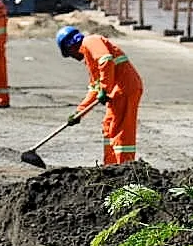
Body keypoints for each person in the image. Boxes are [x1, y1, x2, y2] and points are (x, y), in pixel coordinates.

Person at [57, 26, 144, 165]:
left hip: (125, 88)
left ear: (71, 44)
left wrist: (105, 88)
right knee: (108, 127)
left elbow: (106, 60)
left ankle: (125, 169)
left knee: (120, 131)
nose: (73, 57)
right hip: (115, 93)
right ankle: (110, 168)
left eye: (69, 53)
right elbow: (94, 89)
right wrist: (79, 113)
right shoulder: (90, 58)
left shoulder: (91, 41)